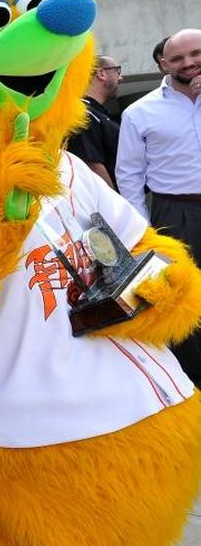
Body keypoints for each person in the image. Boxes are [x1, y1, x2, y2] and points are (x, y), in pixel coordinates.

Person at [116, 28, 201, 382]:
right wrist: (143, 230)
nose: (189, 63)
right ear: (164, 64)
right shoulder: (140, 112)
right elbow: (129, 176)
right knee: (183, 297)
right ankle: (191, 378)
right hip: (174, 213)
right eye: (178, 58)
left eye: (196, 53)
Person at [66, 55, 124, 189]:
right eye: (117, 71)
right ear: (101, 73)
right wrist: (116, 203)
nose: (121, 78)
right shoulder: (82, 114)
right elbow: (93, 165)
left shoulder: (98, 114)